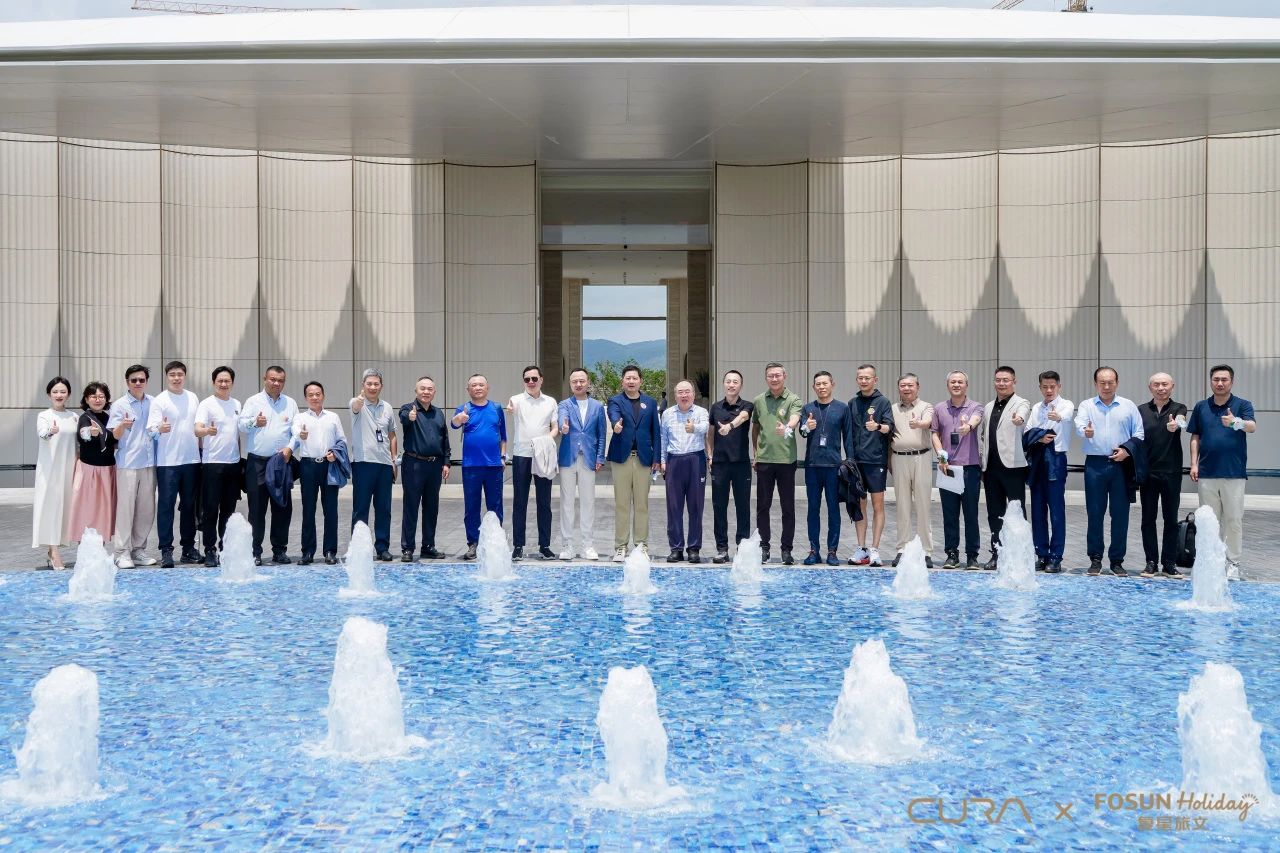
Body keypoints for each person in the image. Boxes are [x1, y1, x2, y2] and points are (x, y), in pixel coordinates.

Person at [1187, 364, 1257, 580]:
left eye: (1224, 380)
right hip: (1207, 473)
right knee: (1209, 522)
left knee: (1233, 520)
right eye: (1216, 379)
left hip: (1234, 473)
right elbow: (1195, 436)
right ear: (1211, 381)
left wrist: (1235, 422)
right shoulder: (1201, 407)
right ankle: (1210, 563)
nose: (1220, 383)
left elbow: (1252, 426)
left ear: (1231, 382)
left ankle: (1232, 563)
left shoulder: (1242, 405)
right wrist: (1194, 464)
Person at [1074, 366, 1144, 576]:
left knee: (1120, 514)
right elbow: (1079, 426)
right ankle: (1095, 559)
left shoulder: (1128, 406)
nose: (1106, 386)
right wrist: (1086, 432)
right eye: (1102, 382)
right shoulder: (1087, 405)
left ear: (1117, 383)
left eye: (1110, 382)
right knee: (1094, 512)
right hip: (1095, 465)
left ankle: (1117, 561)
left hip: (1121, 465)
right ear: (1095, 384)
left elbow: (1139, 434)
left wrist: (1126, 451)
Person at [239, 365, 298, 565]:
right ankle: (254, 552)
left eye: (280, 380)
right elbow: (241, 425)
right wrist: (255, 422)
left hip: (281, 462)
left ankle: (279, 550)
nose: (276, 383)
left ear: (284, 382)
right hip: (257, 462)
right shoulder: (253, 401)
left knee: (282, 507)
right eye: (272, 379)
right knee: (256, 509)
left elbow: (297, 432)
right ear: (265, 379)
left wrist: (290, 448)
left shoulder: (290, 403)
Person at [147, 360, 202, 568]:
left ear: (185, 376)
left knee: (189, 506)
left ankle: (188, 549)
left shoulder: (193, 397)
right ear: (166, 376)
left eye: (180, 374)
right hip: (167, 462)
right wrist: (159, 428)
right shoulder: (160, 400)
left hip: (191, 460)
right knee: (166, 506)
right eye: (172, 374)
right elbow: (150, 429)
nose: (176, 378)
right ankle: (166, 550)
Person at [977, 366, 1031, 570]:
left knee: (1017, 513)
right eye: (998, 380)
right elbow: (984, 435)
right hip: (991, 468)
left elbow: (1022, 415)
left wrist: (1019, 419)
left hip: (1013, 467)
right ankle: (997, 554)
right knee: (994, 513)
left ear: (1014, 382)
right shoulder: (989, 406)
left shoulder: (1021, 403)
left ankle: (1020, 557)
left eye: (1006, 380)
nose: (1001, 383)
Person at [605, 364, 661, 562]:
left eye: (634, 378)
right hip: (622, 458)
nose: (631, 381)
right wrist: (616, 425)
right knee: (622, 504)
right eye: (627, 378)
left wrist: (657, 458)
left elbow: (656, 432)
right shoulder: (615, 400)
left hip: (643, 459)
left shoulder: (650, 403)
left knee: (641, 504)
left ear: (640, 381)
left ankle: (641, 545)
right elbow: (613, 414)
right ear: (622, 381)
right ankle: (621, 546)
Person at [750, 362, 803, 565]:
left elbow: (795, 418)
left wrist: (787, 427)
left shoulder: (793, 399)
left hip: (786, 460)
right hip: (764, 461)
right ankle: (764, 547)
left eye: (777, 375)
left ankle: (786, 549)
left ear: (784, 376)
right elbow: (755, 428)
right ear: (766, 378)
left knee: (787, 507)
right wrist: (756, 453)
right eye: (770, 375)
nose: (774, 379)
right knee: (763, 507)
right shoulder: (759, 400)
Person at [931, 370, 984, 570]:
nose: (956, 385)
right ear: (948, 385)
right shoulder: (939, 408)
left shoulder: (975, 406)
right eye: (953, 382)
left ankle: (972, 556)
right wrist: (941, 456)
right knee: (950, 515)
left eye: (960, 382)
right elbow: (934, 434)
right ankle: (951, 554)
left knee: (971, 514)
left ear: (966, 385)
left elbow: (976, 419)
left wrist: (967, 426)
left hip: (970, 468)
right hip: (948, 467)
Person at [798, 370, 851, 566]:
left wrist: (850, 462)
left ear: (832, 384)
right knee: (813, 509)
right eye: (818, 384)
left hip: (833, 466)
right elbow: (802, 432)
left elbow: (848, 437)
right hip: (812, 466)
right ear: (814, 387)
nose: (821, 387)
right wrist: (807, 427)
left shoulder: (842, 408)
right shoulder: (808, 408)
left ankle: (832, 551)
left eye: (824, 383)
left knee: (833, 510)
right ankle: (814, 550)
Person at [107, 364, 157, 568]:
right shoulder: (119, 405)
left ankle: (138, 550)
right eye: (134, 380)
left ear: (146, 381)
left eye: (141, 380)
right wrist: (122, 426)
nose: (138, 383)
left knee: (146, 510)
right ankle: (121, 552)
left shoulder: (154, 402)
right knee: (125, 510)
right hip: (127, 463)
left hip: (149, 462)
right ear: (127, 382)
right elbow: (114, 435)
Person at [452, 373, 506, 560]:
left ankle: (495, 542)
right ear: (468, 389)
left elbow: (503, 435)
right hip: (471, 466)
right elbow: (454, 423)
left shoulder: (496, 408)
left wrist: (502, 456)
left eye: (481, 384)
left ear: (487, 387)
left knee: (495, 506)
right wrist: (459, 419)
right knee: (472, 507)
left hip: (494, 466)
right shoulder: (464, 409)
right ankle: (473, 543)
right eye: (473, 385)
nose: (477, 388)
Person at [507, 365, 558, 560]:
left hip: (542, 455)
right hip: (522, 455)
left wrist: (545, 441)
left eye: (534, 378)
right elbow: (510, 409)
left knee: (544, 502)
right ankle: (518, 545)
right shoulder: (516, 400)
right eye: (527, 379)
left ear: (541, 380)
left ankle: (545, 545)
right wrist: (510, 409)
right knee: (520, 502)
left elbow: (554, 428)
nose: (530, 382)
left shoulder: (550, 402)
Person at [1137, 372, 1186, 578]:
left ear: (1172, 386)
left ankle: (1169, 563)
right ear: (1150, 388)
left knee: (1170, 519)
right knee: (1148, 519)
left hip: (1171, 472)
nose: (1161, 388)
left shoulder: (1179, 408)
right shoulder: (1141, 410)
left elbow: (1182, 421)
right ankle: (1150, 562)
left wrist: (1177, 425)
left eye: (1165, 384)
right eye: (1156, 384)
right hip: (1148, 473)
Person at [293, 381, 347, 565]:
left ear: (323, 396)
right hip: (307, 466)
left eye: (318, 394)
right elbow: (295, 432)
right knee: (308, 510)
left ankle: (330, 551)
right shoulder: (300, 417)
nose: (314, 397)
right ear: (305, 397)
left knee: (331, 510)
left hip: (328, 465)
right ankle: (307, 551)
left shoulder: (333, 417)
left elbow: (342, 440)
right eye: (310, 395)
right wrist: (301, 434)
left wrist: (335, 454)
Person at [194, 366, 243, 567]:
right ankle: (209, 549)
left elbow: (236, 435)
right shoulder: (206, 404)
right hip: (212, 464)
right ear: (214, 383)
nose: (223, 384)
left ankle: (225, 548)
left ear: (232, 383)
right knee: (211, 509)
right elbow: (197, 430)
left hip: (233, 464)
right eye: (220, 381)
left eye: (227, 381)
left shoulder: (237, 404)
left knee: (228, 511)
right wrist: (207, 431)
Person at [1026, 370, 1074, 574]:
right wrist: (1039, 437)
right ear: (1040, 387)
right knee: (1037, 510)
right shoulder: (1036, 407)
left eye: (1052, 386)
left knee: (1056, 510)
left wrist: (1057, 417)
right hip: (1038, 458)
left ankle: (1055, 556)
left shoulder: (1066, 404)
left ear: (1059, 386)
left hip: (1056, 458)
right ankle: (1041, 554)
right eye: (1045, 387)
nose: (1048, 390)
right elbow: (1028, 431)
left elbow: (1066, 417)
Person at [398, 375, 450, 562]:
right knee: (411, 506)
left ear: (434, 392)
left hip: (435, 465)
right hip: (414, 464)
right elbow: (404, 418)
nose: (426, 392)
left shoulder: (438, 413)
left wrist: (446, 462)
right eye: (422, 388)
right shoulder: (407, 409)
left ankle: (428, 546)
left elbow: (444, 439)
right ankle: (407, 548)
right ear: (416, 391)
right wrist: (410, 417)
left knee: (431, 507)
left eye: (429, 389)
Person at [556, 367, 606, 560]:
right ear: (570, 384)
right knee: (566, 503)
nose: (578, 384)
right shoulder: (565, 404)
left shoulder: (597, 406)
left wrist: (600, 457)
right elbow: (562, 420)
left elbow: (601, 434)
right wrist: (563, 427)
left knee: (588, 502)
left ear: (588, 383)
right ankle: (567, 545)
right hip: (568, 458)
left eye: (581, 381)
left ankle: (587, 545)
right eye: (574, 381)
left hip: (589, 458)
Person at [848, 364, 894, 567]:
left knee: (877, 505)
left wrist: (878, 426)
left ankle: (875, 549)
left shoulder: (883, 402)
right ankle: (861, 549)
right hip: (856, 463)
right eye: (860, 378)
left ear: (875, 380)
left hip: (876, 461)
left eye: (867, 378)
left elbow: (889, 427)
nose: (864, 381)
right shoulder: (852, 403)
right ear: (857, 380)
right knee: (860, 506)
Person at [350, 368, 398, 561]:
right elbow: (355, 406)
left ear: (381, 386)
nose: (372, 387)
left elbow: (392, 434)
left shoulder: (387, 407)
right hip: (363, 463)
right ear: (363, 385)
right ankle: (359, 548)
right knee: (361, 507)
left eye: (376, 384)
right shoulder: (357, 403)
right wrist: (360, 399)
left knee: (384, 508)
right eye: (369, 383)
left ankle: (382, 547)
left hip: (385, 464)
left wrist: (394, 460)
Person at [660, 379, 710, 563]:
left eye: (687, 392)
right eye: (680, 392)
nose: (684, 395)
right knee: (674, 507)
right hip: (674, 461)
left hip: (695, 460)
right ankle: (676, 548)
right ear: (675, 396)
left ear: (693, 394)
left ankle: (694, 548)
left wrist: (694, 428)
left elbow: (705, 427)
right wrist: (663, 460)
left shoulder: (701, 412)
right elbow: (663, 438)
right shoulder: (667, 414)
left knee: (696, 506)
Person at [708, 369, 754, 563]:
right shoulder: (715, 407)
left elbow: (743, 417)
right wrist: (710, 455)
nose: (731, 384)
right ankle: (722, 549)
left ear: (740, 385)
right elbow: (710, 433)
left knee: (743, 507)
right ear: (724, 384)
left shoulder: (747, 405)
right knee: (719, 508)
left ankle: (742, 549)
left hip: (741, 464)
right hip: (720, 464)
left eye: (735, 381)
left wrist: (730, 426)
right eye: (728, 381)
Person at [65, 381, 117, 547]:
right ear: (86, 399)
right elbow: (83, 434)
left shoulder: (109, 418)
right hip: (89, 470)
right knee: (87, 509)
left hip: (107, 470)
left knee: (103, 510)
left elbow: (115, 439)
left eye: (101, 396)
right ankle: (85, 548)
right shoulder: (85, 418)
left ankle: (100, 548)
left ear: (106, 399)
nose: (97, 399)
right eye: (93, 396)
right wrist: (90, 432)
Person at [33, 376, 78, 569]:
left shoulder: (74, 417)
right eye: (55, 392)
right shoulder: (44, 415)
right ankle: (53, 552)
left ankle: (56, 548)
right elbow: (42, 434)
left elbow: (79, 442)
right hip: (50, 471)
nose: (59, 395)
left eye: (63, 391)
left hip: (69, 470)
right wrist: (51, 431)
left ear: (68, 394)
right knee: (51, 508)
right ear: (49, 394)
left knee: (65, 509)